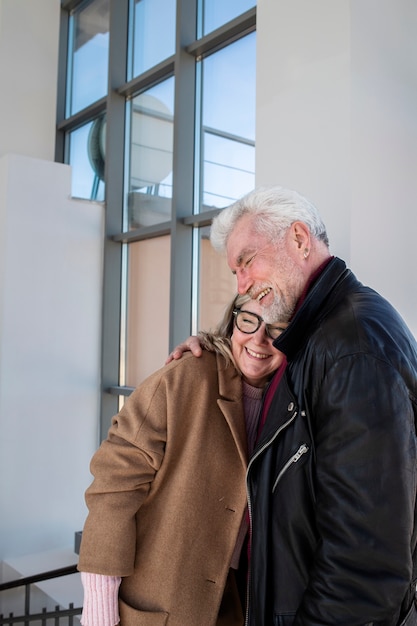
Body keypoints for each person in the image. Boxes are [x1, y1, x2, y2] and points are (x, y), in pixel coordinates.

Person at [168, 185, 417, 625]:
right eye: (235, 272)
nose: (242, 283)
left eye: (246, 261)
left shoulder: (351, 346)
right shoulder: (312, 335)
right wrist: (210, 347)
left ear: (300, 240)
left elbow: (365, 566)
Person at [77, 293, 287, 626]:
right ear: (233, 320)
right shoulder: (180, 380)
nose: (259, 339)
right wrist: (99, 613)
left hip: (237, 604)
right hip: (158, 607)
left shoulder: (293, 401)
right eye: (248, 320)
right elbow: (112, 493)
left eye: (277, 328)